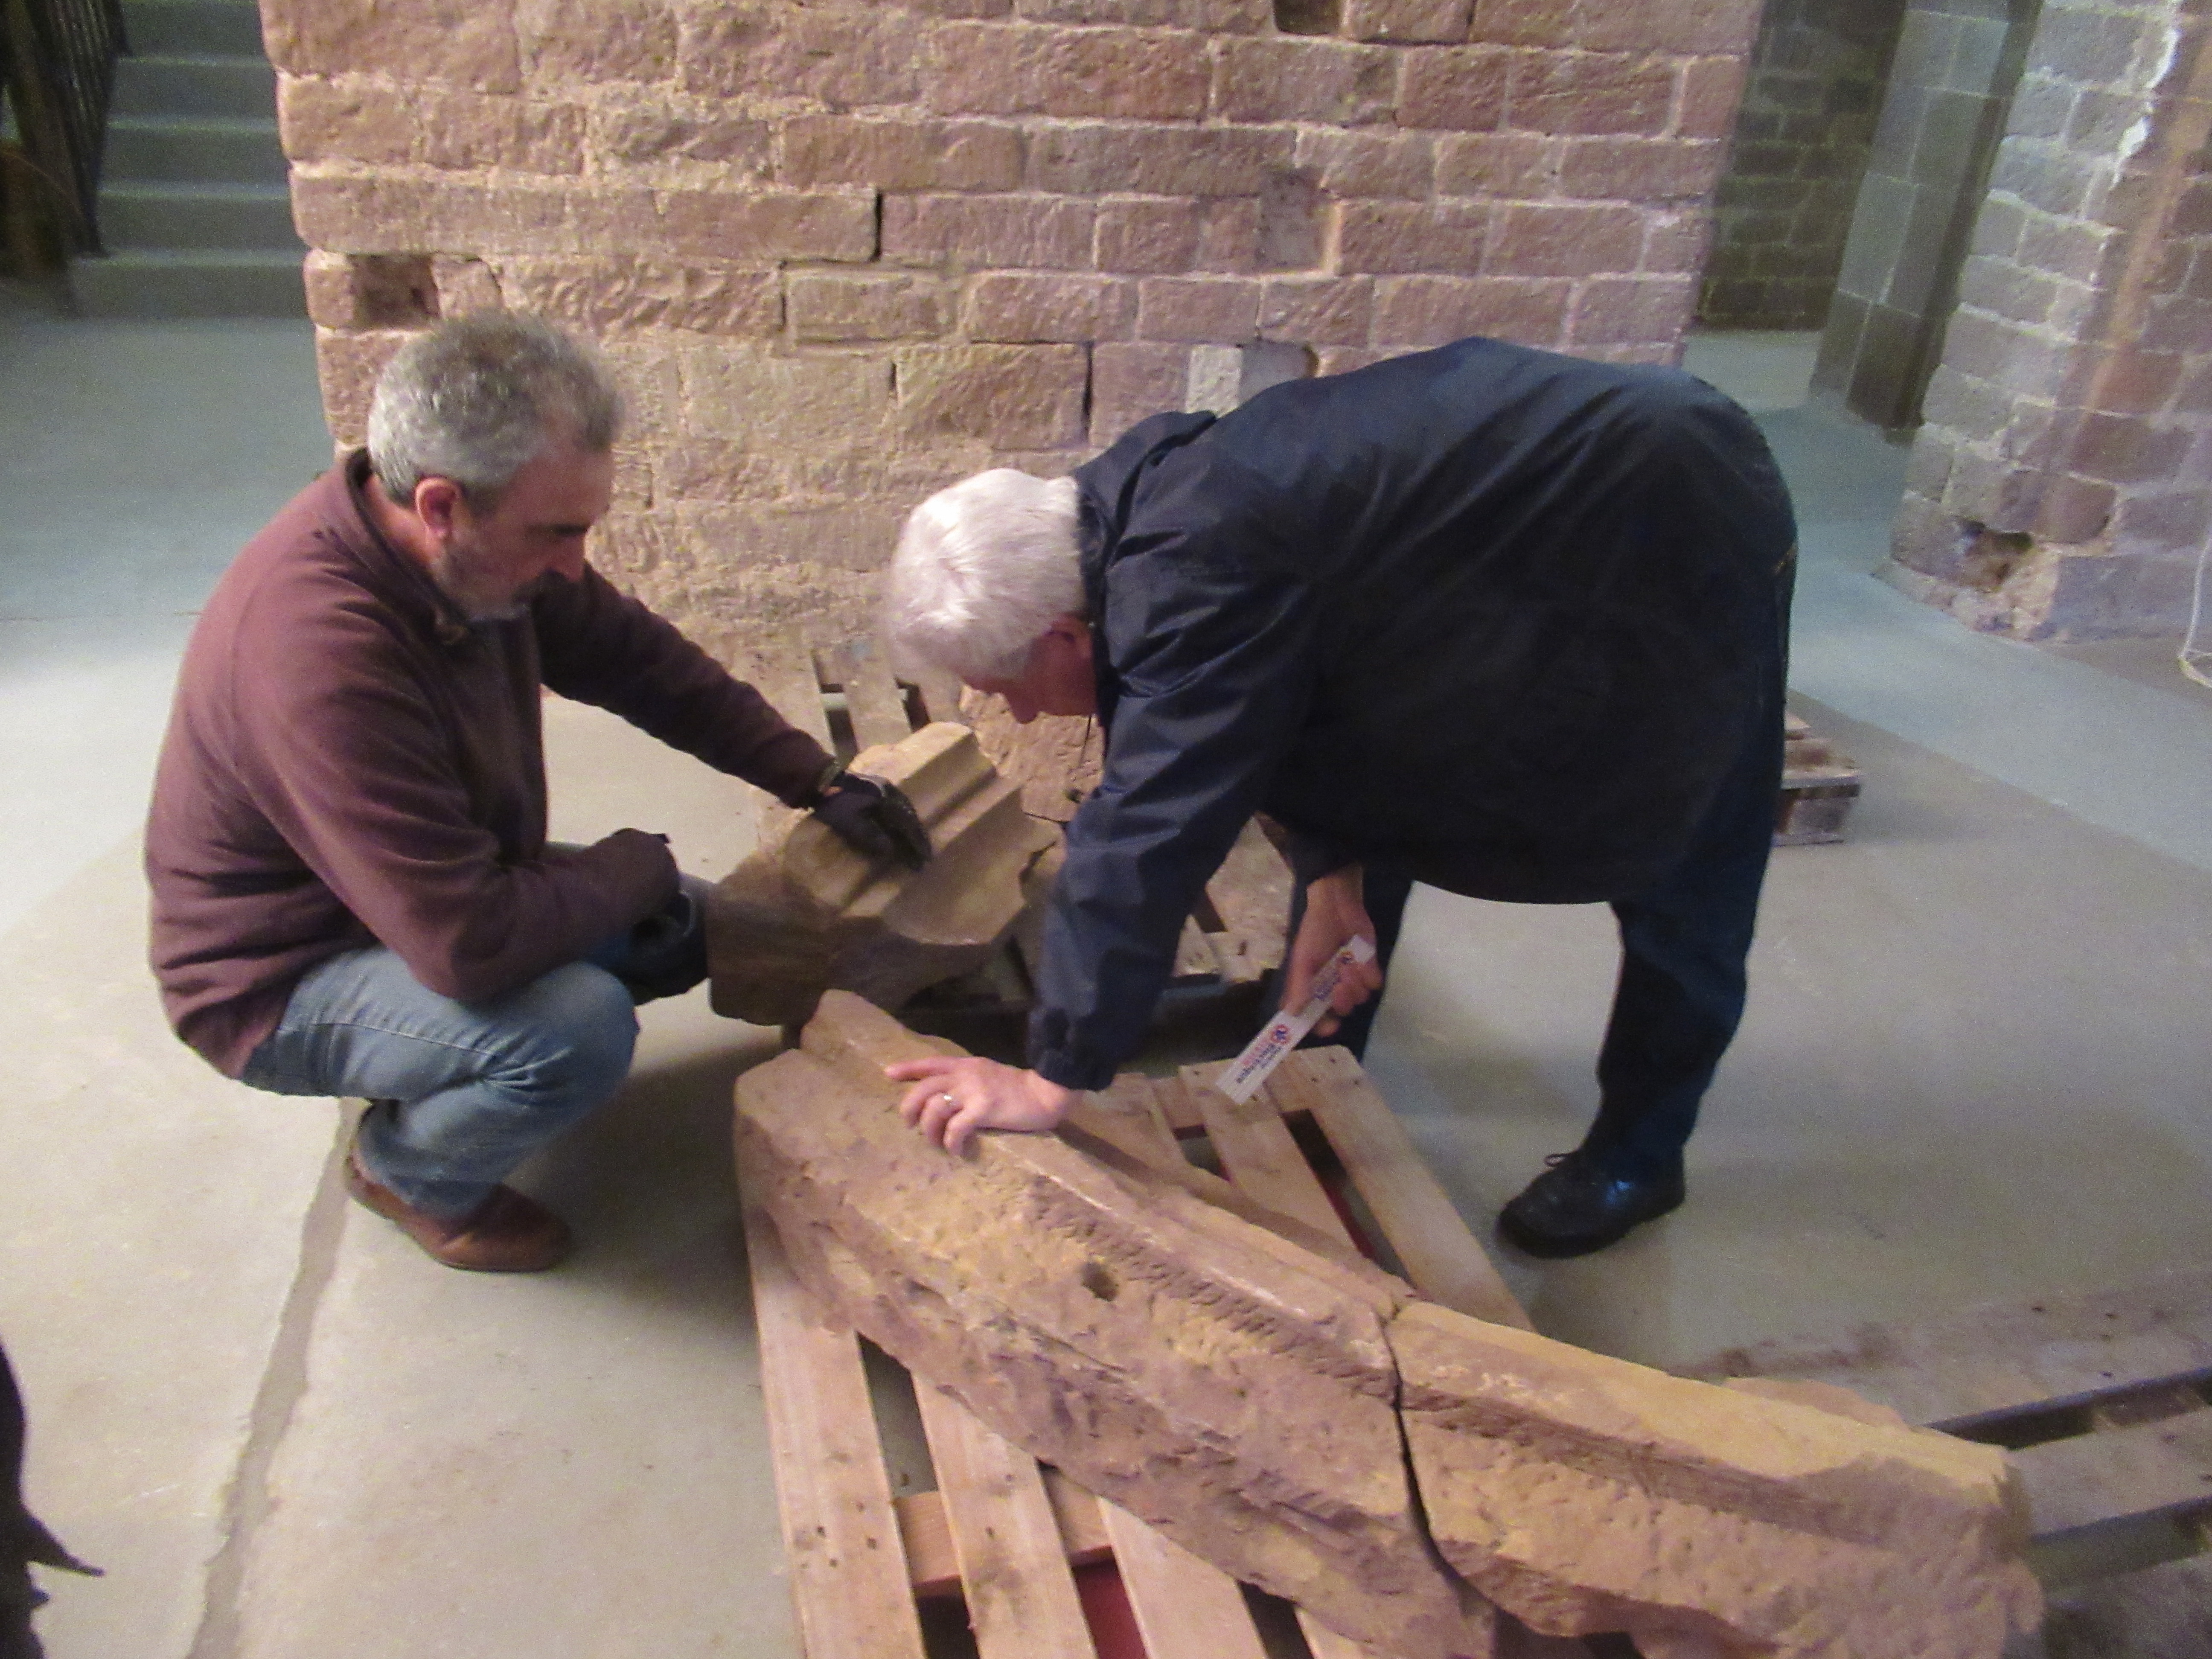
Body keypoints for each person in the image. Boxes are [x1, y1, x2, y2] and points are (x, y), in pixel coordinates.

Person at [879, 334, 1796, 1257]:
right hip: (1526, 538)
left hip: (1673, 501)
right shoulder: (1115, 522)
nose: (1021, 716)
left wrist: (1050, 1079)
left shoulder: (1191, 566)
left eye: (1007, 690)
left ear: (1063, 638)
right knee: (1404, 746)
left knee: (1691, 825)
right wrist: (1333, 881)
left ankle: (1641, 1157)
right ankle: (1319, 1068)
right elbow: (1321, 707)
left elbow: (1144, 834)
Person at [146, 313, 927, 1273]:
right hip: (286, 971)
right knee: (575, 1030)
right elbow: (468, 946)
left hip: (407, 896)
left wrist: (815, 777)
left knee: (688, 926)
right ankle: (405, 1172)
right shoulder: (318, 654)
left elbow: (638, 660)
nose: (573, 563)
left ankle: (431, 1065)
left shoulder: (475, 550)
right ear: (441, 505)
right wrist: (634, 868)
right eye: (557, 533)